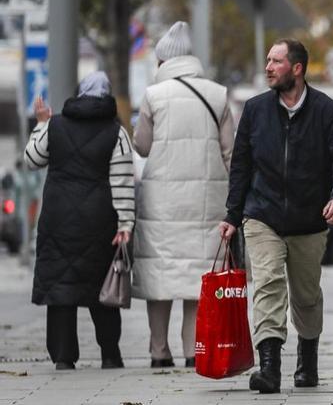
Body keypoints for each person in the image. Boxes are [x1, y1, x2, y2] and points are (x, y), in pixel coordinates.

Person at [220, 38, 333, 394]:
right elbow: (241, 165)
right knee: (267, 285)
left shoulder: (326, 111)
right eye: (267, 60)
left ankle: (307, 362)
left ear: (296, 68)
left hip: (310, 219)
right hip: (262, 214)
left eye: (276, 61)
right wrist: (232, 215)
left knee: (306, 295)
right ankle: (269, 369)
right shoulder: (255, 110)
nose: (268, 67)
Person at [131, 21, 235, 368]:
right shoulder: (218, 94)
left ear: (161, 61)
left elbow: (141, 146)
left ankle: (159, 352)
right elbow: (230, 154)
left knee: (160, 277)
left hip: (162, 200)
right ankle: (194, 351)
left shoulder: (153, 95)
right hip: (208, 201)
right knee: (197, 278)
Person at [24, 71, 135, 370]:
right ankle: (110, 354)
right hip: (99, 220)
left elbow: (32, 159)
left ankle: (63, 357)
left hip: (57, 219)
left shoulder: (56, 125)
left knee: (61, 288)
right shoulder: (117, 132)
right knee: (104, 291)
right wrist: (125, 224)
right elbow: (123, 181)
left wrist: (42, 124)